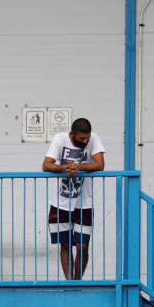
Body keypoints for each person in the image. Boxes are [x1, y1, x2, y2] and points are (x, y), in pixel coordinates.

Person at [43, 117, 105, 280]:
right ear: (72, 134)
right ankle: (70, 283)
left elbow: (100, 164)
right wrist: (65, 168)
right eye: (81, 138)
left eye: (87, 138)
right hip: (60, 202)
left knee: (82, 246)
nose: (85, 141)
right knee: (65, 245)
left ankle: (77, 283)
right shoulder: (60, 139)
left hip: (85, 202)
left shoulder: (94, 138)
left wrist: (79, 167)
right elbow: (46, 165)